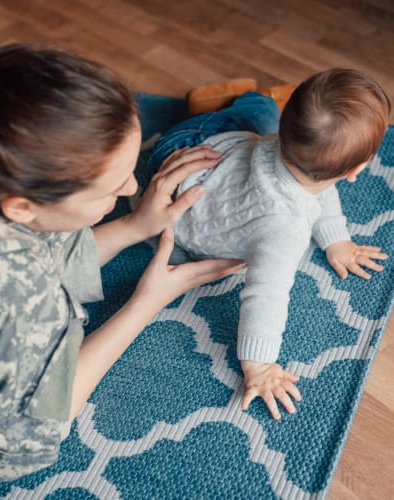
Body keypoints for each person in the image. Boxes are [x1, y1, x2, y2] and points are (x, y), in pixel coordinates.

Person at [0, 34, 246, 481]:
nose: (131, 190)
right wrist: (146, 304)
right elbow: (4, 455)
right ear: (21, 207)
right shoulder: (17, 293)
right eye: (111, 187)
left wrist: (133, 227)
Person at [145, 68, 390, 420]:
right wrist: (258, 365)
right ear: (356, 170)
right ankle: (241, 100)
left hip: (182, 164)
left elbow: (319, 190)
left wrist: (335, 239)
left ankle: (245, 102)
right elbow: (266, 294)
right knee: (257, 114)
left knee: (260, 119)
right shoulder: (286, 227)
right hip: (187, 167)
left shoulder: (281, 145)